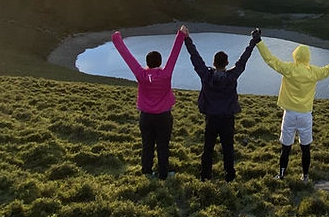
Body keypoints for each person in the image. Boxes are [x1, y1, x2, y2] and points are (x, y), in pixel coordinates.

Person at [254, 29, 329, 181]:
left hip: (290, 114)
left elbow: (270, 60)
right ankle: (305, 176)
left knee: (286, 147)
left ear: (295, 56)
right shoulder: (314, 72)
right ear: (308, 57)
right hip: (305, 115)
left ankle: (281, 174)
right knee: (305, 148)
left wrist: (259, 41)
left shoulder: (288, 69)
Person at [183, 27, 258, 182]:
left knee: (208, 148)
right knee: (228, 149)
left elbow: (195, 58)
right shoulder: (232, 76)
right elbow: (243, 60)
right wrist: (253, 41)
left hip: (211, 118)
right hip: (227, 118)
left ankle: (205, 177)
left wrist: (186, 39)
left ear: (213, 63)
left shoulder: (206, 75)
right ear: (227, 63)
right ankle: (229, 177)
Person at [111, 25, 185, 180]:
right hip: (164, 117)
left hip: (146, 117)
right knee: (163, 146)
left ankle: (147, 172)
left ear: (147, 62)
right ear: (160, 62)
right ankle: (163, 174)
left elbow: (128, 57)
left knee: (147, 146)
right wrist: (181, 34)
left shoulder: (141, 74)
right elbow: (174, 55)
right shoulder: (165, 74)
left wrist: (116, 38)